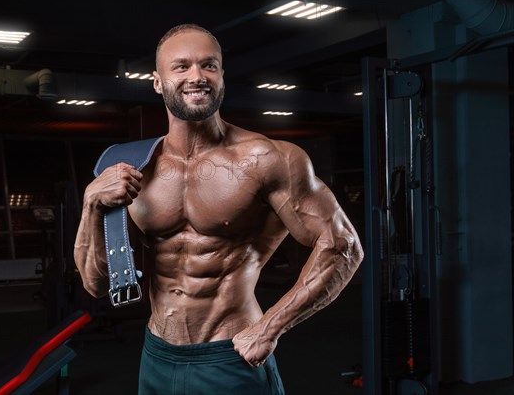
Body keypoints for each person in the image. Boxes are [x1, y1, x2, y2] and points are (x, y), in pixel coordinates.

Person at [74, 23, 364, 395]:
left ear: (222, 75)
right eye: (181, 67)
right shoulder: (132, 165)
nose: (197, 76)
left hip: (229, 355)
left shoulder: (267, 159)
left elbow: (343, 246)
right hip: (157, 356)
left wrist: (270, 327)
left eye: (208, 65)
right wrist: (91, 204)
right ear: (158, 82)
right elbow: (97, 284)